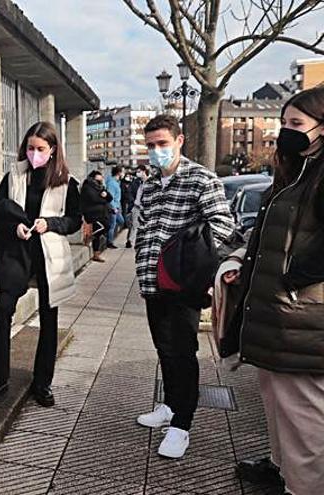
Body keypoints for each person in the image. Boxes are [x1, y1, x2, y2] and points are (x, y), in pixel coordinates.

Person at [220, 86, 324, 495]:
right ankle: (281, 470)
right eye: (283, 124)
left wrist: (291, 277)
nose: (285, 133)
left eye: (296, 125)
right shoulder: (298, 172)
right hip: (278, 315)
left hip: (302, 320)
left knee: (305, 421)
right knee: (280, 406)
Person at [134, 115, 234, 459]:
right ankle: (170, 406)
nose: (156, 151)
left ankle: (182, 424)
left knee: (182, 353)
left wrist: (187, 258)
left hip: (182, 284)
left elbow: (222, 226)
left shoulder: (200, 179)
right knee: (164, 349)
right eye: (150, 145)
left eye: (162, 143)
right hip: (152, 282)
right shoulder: (148, 184)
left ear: (179, 141)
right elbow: (145, 227)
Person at [0, 121, 82, 407]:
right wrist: (14, 226)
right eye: (29, 148)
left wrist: (48, 223)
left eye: (40, 148)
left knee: (49, 321)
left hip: (50, 257)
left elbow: (74, 221)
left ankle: (43, 383)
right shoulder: (13, 176)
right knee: (2, 312)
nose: (34, 153)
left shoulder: (66, 182)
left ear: (52, 150)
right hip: (16, 254)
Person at [80, 170, 112, 263]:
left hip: (101, 213)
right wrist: (104, 199)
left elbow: (110, 198)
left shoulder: (101, 186)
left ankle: (96, 254)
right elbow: (94, 199)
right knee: (105, 226)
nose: (102, 177)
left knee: (98, 233)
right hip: (92, 214)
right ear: (94, 177)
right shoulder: (87, 186)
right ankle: (90, 236)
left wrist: (105, 195)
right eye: (100, 175)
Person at [126, 165, 149, 248]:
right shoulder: (138, 182)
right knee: (134, 225)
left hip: (144, 208)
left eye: (139, 171)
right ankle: (130, 241)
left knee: (143, 226)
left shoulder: (149, 182)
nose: (137, 173)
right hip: (136, 207)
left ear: (144, 171)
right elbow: (131, 193)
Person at [105, 165, 124, 248]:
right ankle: (109, 242)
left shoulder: (116, 182)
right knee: (112, 225)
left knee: (121, 221)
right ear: (119, 173)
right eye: (123, 172)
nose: (124, 173)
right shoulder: (111, 183)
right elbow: (110, 197)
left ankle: (110, 237)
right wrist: (113, 208)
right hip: (113, 208)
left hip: (117, 206)